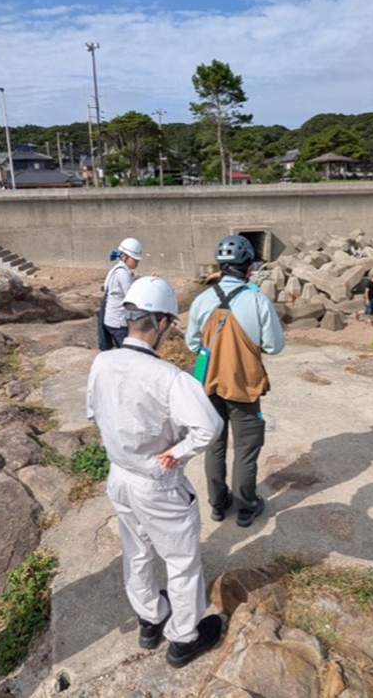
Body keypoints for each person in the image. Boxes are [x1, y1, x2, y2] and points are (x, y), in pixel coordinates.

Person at [87, 276, 225, 668]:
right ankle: (183, 638)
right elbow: (210, 427)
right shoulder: (170, 378)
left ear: (129, 317)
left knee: (136, 550)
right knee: (181, 561)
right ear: (162, 322)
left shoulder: (102, 362)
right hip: (157, 481)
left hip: (120, 476)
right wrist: (177, 452)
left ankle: (149, 618)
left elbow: (94, 413)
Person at [186, 235, 286, 528]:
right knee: (245, 449)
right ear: (249, 268)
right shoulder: (257, 301)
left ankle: (218, 505)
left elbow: (192, 344)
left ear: (221, 266)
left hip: (208, 385)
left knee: (214, 446)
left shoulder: (201, 300)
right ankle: (246, 507)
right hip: (244, 386)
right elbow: (274, 346)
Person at [99, 237, 144, 350]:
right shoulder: (123, 274)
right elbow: (131, 296)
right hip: (119, 322)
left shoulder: (116, 270)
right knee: (127, 352)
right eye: (135, 259)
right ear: (124, 256)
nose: (137, 262)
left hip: (112, 320)